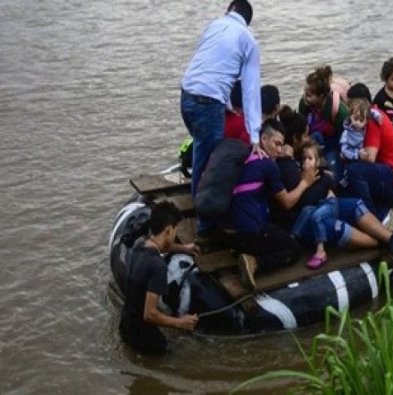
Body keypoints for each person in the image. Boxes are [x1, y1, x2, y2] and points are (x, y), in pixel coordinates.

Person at [180, 0, 264, 233]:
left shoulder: (214, 25)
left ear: (229, 11)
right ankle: (206, 223)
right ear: (247, 20)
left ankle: (201, 204)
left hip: (186, 96)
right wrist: (255, 135)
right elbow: (250, 90)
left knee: (201, 152)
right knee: (207, 163)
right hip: (208, 105)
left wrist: (225, 104)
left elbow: (209, 66)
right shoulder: (248, 40)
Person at [288, 144, 393, 269]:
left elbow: (332, 192)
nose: (306, 162)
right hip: (312, 218)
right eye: (304, 159)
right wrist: (305, 183)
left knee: (355, 204)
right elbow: (302, 204)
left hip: (328, 207)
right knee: (333, 224)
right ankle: (382, 242)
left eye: (310, 159)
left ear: (317, 162)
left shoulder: (324, 177)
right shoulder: (298, 179)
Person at [222, 119, 317, 289]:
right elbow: (287, 202)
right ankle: (255, 262)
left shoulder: (246, 153)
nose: (279, 150)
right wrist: (305, 182)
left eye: (282, 145)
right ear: (263, 139)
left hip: (227, 231)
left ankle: (243, 249)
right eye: (276, 144)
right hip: (247, 232)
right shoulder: (267, 165)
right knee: (293, 249)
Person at [119, 202, 199, 355]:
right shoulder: (158, 267)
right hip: (143, 337)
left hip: (125, 325)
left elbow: (162, 245)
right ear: (169, 230)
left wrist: (184, 248)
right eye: (175, 230)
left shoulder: (139, 243)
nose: (175, 235)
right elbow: (149, 314)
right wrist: (181, 323)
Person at [342, 83, 393, 227]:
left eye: (351, 105)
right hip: (389, 173)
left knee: (354, 171)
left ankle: (372, 217)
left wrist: (352, 155)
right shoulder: (368, 115)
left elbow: (370, 157)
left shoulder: (373, 120)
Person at [298, 65, 349, 181]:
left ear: (321, 96)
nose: (305, 97)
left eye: (309, 95)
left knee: (334, 178)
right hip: (312, 143)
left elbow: (345, 138)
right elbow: (300, 128)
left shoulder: (339, 111)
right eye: (304, 93)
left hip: (333, 144)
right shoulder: (304, 104)